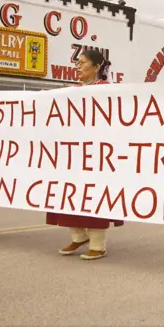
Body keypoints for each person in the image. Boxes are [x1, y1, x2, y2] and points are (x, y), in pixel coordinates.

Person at [45, 50, 124, 260]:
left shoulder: (108, 91)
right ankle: (78, 235)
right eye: (77, 63)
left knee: (93, 195)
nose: (77, 66)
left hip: (96, 153)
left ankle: (98, 244)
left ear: (97, 66)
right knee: (67, 193)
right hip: (72, 153)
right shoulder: (72, 92)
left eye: (83, 63)